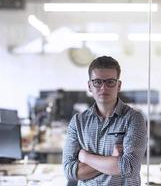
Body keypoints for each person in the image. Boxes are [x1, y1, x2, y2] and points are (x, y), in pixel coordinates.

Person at [63, 56, 147, 185]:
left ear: (118, 85)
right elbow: (70, 171)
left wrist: (86, 157)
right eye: (97, 82)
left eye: (110, 82)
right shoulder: (78, 122)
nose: (103, 88)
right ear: (89, 86)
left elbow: (129, 167)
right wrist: (112, 160)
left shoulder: (134, 119)